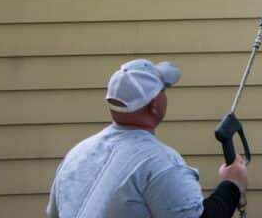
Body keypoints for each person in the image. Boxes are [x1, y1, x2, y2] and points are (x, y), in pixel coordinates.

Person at [47, 59, 248, 218]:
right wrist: (231, 185)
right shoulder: (161, 164)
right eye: (163, 89)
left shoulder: (76, 154)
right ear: (154, 105)